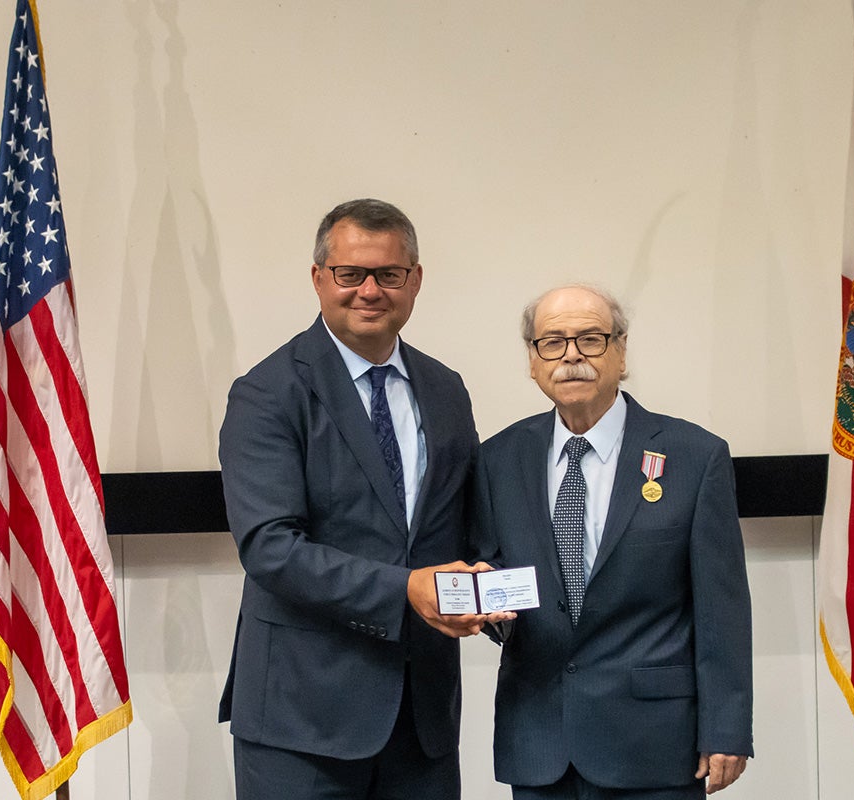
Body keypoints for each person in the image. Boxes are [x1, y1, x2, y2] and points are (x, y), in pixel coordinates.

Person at [218, 198, 506, 800]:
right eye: (351, 275)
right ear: (319, 278)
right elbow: (270, 549)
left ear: (415, 280)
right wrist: (406, 589)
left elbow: (468, 528)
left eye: (389, 274)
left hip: (422, 720)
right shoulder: (267, 393)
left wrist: (500, 590)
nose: (369, 291)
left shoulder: (445, 388)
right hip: (302, 724)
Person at [473, 285, 754, 799]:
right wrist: (483, 607)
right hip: (540, 741)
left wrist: (727, 729)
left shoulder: (695, 457)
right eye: (552, 342)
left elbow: (723, 609)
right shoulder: (497, 460)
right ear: (533, 362)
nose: (572, 355)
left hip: (654, 744)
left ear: (622, 353)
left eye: (591, 339)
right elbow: (491, 575)